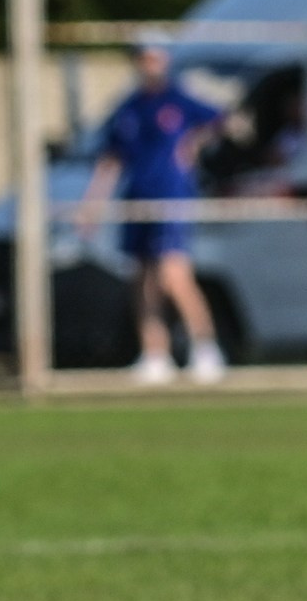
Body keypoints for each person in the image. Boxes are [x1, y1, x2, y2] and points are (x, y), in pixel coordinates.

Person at [78, 44, 228, 385]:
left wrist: (194, 143)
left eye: (154, 58)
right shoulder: (129, 108)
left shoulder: (180, 100)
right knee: (143, 278)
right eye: (143, 58)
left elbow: (223, 120)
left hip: (173, 199)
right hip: (138, 200)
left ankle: (206, 348)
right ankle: (154, 353)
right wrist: (92, 205)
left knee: (173, 275)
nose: (149, 65)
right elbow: (110, 160)